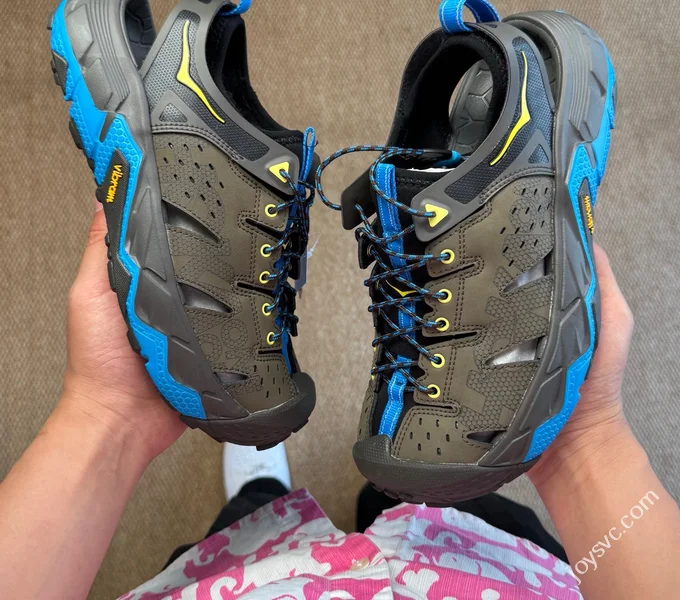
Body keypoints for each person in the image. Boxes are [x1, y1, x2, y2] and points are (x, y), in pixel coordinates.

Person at [0, 200, 678, 600]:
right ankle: (402, 475)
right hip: (490, 576)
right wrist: (586, 446)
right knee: (447, 500)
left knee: (248, 521)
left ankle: (267, 487)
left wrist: (106, 415)